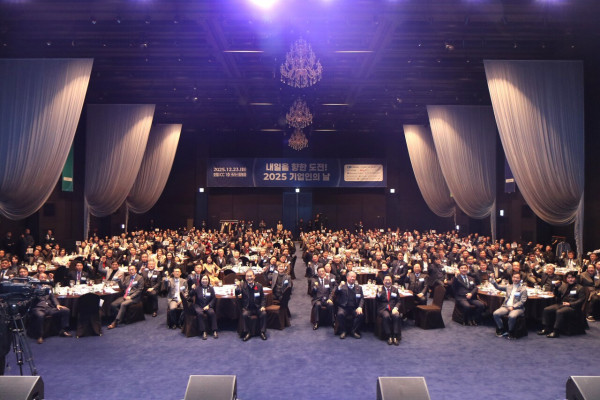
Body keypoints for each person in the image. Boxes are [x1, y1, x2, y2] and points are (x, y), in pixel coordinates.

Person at [538, 271, 586, 338]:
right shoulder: (564, 286)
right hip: (562, 304)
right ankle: (546, 328)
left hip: (572, 306)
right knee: (547, 309)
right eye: (569, 278)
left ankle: (556, 331)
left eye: (572, 278)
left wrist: (570, 304)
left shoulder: (580, 288)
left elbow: (581, 300)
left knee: (559, 312)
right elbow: (557, 295)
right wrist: (556, 287)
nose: (571, 279)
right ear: (566, 279)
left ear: (575, 278)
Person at [29, 272, 71, 344]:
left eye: (45, 278)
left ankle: (63, 330)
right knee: (41, 316)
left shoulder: (49, 287)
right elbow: (31, 299)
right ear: (38, 278)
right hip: (38, 308)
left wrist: (57, 305)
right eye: (41, 277)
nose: (43, 279)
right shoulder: (33, 287)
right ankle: (40, 335)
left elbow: (53, 297)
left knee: (66, 310)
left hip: (49, 308)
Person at [491, 271, 528, 339]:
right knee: (495, 313)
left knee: (511, 316)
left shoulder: (523, 289)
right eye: (514, 277)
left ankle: (510, 331)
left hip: (518, 308)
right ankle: (501, 329)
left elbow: (522, 301)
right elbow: (498, 287)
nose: (515, 279)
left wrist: (513, 306)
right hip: (506, 306)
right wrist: (493, 280)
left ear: (520, 279)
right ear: (512, 278)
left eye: (517, 278)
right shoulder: (509, 287)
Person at [235, 270, 267, 341]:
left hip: (257, 307)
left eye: (251, 276)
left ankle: (262, 332)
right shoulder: (242, 285)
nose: (249, 278)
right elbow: (237, 293)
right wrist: (237, 287)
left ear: (254, 277)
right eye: (247, 276)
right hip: (247, 308)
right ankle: (247, 332)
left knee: (264, 313)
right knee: (244, 315)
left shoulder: (259, 286)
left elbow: (263, 298)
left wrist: (263, 306)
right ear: (245, 278)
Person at [332, 271, 364, 339]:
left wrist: (360, 307)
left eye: (354, 277)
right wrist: (339, 287)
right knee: (340, 314)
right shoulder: (342, 286)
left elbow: (362, 298)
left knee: (360, 314)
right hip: (343, 307)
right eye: (351, 277)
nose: (353, 278)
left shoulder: (359, 287)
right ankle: (344, 331)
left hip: (354, 307)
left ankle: (353, 331)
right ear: (347, 277)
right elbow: (335, 294)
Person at [190, 275, 218, 339]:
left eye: (206, 279)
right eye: (203, 279)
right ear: (200, 280)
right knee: (200, 314)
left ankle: (214, 330)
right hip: (198, 305)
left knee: (212, 313)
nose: (204, 281)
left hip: (207, 305)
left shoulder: (211, 288)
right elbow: (191, 295)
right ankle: (203, 331)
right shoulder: (197, 288)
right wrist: (192, 289)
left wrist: (209, 305)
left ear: (208, 280)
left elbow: (214, 298)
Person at [376, 275, 401, 345]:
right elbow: (377, 300)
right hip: (383, 309)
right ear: (383, 281)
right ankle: (389, 335)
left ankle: (395, 336)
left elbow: (399, 301)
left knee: (396, 316)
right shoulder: (380, 289)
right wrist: (379, 293)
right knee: (386, 316)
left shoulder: (395, 289)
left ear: (391, 281)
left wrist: (396, 308)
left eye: (389, 280)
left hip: (393, 308)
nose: (388, 282)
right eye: (386, 280)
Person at [310, 266, 335, 330]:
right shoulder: (314, 281)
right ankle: (316, 322)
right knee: (318, 304)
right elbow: (312, 292)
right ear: (317, 273)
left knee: (331, 304)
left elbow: (331, 292)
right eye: (320, 271)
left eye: (323, 271)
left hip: (326, 299)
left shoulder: (328, 281)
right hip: (318, 299)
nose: (321, 273)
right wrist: (315, 287)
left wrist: (330, 299)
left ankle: (333, 321)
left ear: (325, 272)